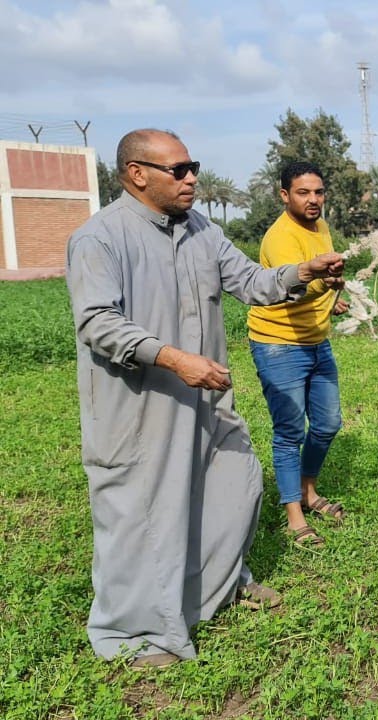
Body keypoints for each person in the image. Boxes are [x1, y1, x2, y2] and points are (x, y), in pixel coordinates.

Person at [66, 129, 344, 668]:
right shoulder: (99, 238)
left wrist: (302, 273)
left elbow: (253, 282)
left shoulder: (202, 231)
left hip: (206, 396)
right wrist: (174, 358)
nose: (192, 176)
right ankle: (136, 634)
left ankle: (218, 586)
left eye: (193, 165)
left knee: (233, 484)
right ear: (137, 174)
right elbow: (97, 322)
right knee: (139, 513)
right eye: (179, 169)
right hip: (140, 402)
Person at [247, 161, 350, 549]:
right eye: (303, 193)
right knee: (290, 431)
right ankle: (294, 516)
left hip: (316, 340)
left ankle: (309, 490)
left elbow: (322, 283)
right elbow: (295, 288)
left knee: (327, 424)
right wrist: (325, 285)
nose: (313, 200)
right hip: (278, 344)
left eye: (318, 192)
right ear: (284, 195)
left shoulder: (320, 226)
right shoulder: (280, 238)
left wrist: (333, 298)